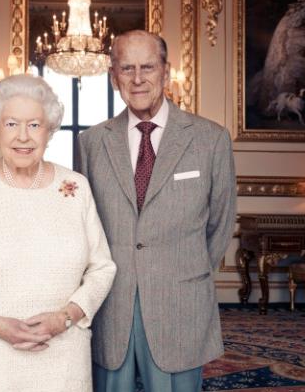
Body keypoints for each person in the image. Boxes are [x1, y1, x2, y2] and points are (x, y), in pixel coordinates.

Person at [0, 74, 116, 392]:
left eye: (34, 125)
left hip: (64, 351)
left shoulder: (75, 187)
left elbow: (103, 267)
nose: (23, 137)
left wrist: (66, 318)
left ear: (49, 130)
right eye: (12, 124)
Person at [75, 30, 237, 392]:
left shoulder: (211, 139)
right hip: (111, 302)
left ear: (166, 71)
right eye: (126, 68)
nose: (137, 78)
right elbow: (84, 227)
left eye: (147, 66)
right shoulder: (90, 143)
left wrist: (183, 271)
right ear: (113, 75)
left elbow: (221, 223)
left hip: (178, 300)